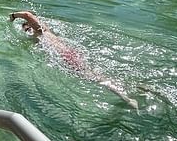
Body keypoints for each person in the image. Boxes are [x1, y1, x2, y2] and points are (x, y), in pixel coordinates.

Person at [9, 11, 139, 109]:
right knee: (95, 75)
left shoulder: (40, 30)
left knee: (96, 79)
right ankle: (138, 87)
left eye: (27, 27)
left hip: (66, 56)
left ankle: (127, 99)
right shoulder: (37, 35)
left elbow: (26, 14)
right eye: (25, 29)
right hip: (68, 54)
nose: (27, 29)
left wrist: (13, 16)